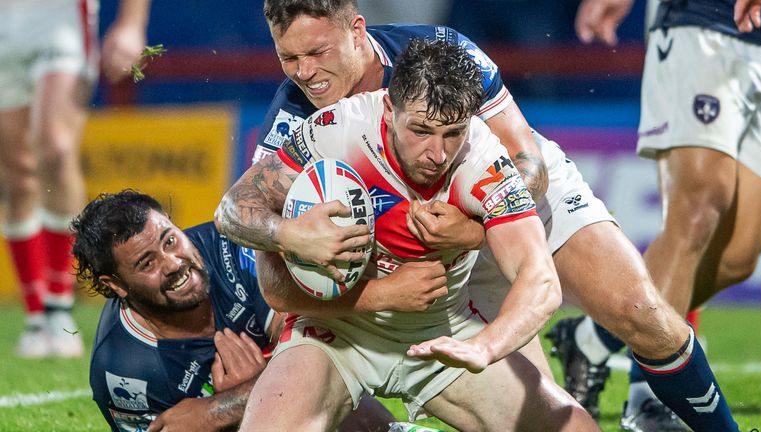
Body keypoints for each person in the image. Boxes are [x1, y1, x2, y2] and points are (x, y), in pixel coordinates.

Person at [221, 1, 740, 430]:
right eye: (288, 58)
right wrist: (292, 234)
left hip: (503, 198)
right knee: (536, 408)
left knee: (641, 310)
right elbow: (260, 250)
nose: (304, 72)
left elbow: (525, 160)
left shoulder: (443, 56)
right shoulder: (296, 123)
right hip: (432, 250)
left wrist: (475, 229)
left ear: (357, 30)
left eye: (316, 51)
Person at [217, 38, 600, 431]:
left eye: (453, 133)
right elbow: (232, 209)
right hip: (334, 333)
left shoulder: (484, 161)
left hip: (442, 333)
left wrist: (484, 347)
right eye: (421, 129)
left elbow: (540, 280)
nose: (437, 154)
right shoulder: (337, 131)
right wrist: (290, 234)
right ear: (388, 107)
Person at [547, 0, 761, 429]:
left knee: (740, 254)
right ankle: (648, 400)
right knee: (699, 207)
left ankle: (592, 337)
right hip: (702, 18)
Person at [73, 190, 395, 432]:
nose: (172, 263)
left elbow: (329, 363)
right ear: (115, 285)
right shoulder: (122, 373)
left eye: (170, 241)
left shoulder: (234, 247)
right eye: (147, 263)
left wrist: (218, 410)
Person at [0, 0, 150, 358]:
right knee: (16, 174)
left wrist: (131, 23)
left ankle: (59, 306)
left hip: (60, 19)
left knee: (55, 146)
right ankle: (36, 314)